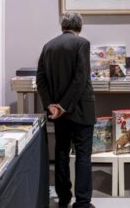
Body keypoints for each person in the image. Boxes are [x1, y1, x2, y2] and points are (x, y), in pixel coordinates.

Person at [36, 12, 96, 208]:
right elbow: (81, 80)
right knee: (83, 154)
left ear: (63, 26)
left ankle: (63, 198)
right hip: (79, 109)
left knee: (61, 151)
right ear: (80, 27)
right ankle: (83, 201)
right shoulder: (82, 44)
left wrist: (51, 105)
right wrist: (64, 106)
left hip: (57, 112)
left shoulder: (48, 46)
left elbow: (41, 80)